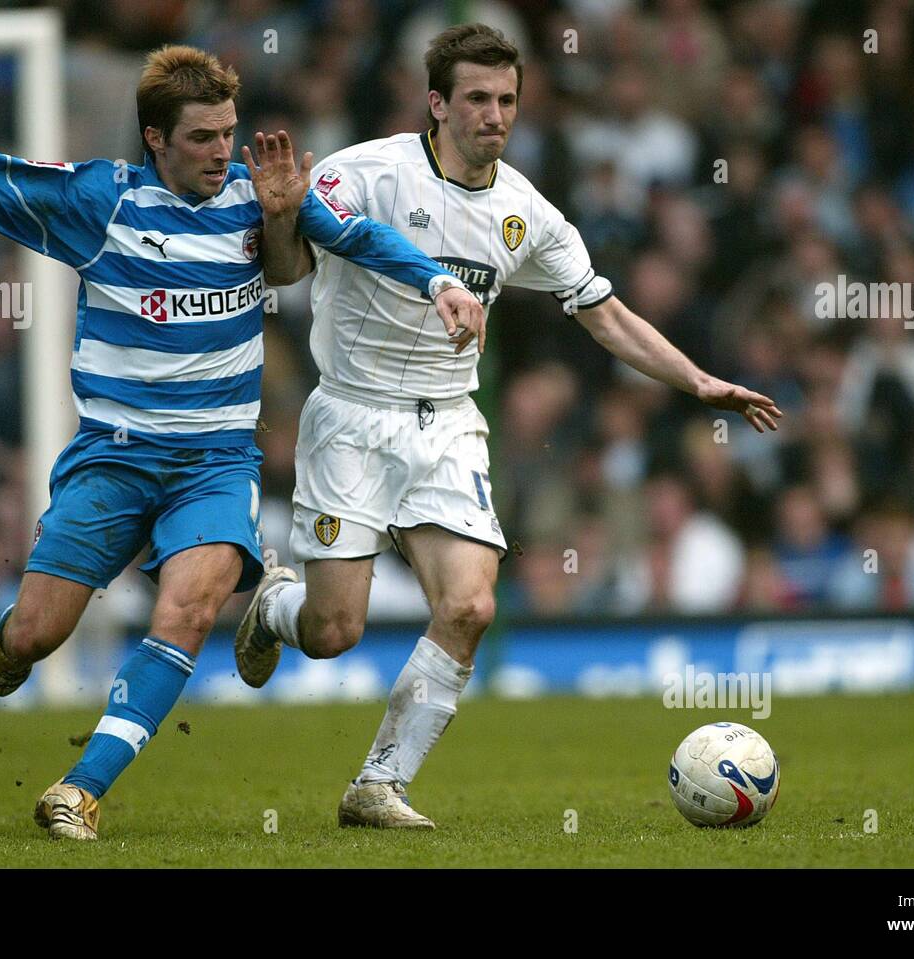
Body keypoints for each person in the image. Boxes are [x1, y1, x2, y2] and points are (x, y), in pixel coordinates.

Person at [0, 44, 483, 840]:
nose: (221, 151)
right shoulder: (104, 202)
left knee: (190, 609)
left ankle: (81, 788)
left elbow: (360, 238)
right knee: (34, 633)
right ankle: (15, 644)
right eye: (201, 137)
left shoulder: (251, 200)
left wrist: (438, 281)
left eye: (228, 132)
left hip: (216, 462)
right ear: (155, 139)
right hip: (114, 456)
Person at [234, 23, 782, 828]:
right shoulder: (369, 171)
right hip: (352, 414)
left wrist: (697, 379)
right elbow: (285, 266)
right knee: (332, 629)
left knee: (470, 607)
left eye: (508, 100)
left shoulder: (525, 211)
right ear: (436, 103)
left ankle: (379, 783)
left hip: (449, 423)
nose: (496, 115)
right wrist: (281, 217)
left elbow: (606, 314)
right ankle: (276, 604)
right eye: (478, 99)